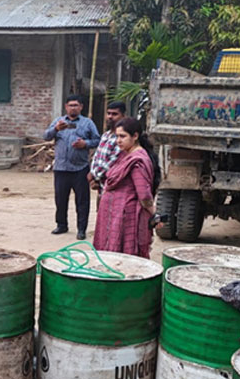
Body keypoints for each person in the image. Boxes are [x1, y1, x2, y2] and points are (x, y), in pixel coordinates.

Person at [93, 117, 157, 259]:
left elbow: (144, 194)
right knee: (109, 253)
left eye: (123, 136)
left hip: (125, 216)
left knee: (124, 256)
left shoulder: (138, 160)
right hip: (113, 214)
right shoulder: (125, 155)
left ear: (135, 136)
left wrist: (154, 213)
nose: (118, 141)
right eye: (117, 136)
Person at [43, 94, 101, 240]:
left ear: (81, 107)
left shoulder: (88, 123)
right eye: (70, 105)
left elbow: (97, 140)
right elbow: (46, 136)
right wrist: (55, 129)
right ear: (66, 107)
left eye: (76, 105)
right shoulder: (58, 121)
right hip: (61, 168)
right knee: (60, 199)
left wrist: (85, 144)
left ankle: (81, 229)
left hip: (80, 169)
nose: (73, 108)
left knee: (82, 201)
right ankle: (61, 225)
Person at [88, 100, 126, 192]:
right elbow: (96, 156)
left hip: (112, 185)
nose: (110, 117)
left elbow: (113, 161)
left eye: (114, 114)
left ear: (123, 116)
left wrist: (95, 176)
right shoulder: (105, 135)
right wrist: (92, 174)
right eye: (108, 113)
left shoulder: (122, 137)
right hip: (100, 185)